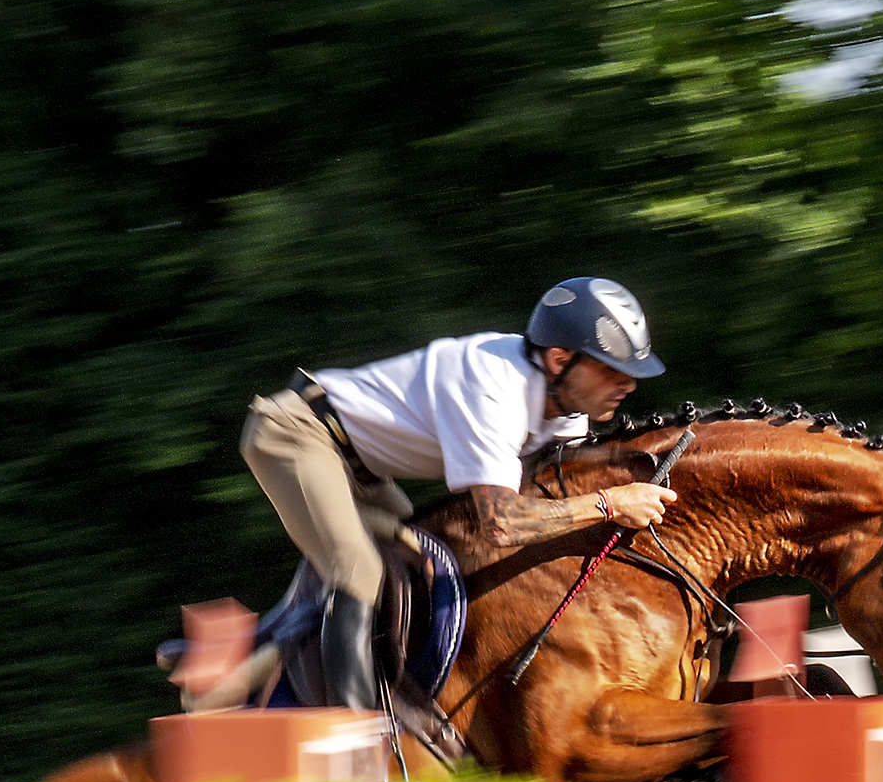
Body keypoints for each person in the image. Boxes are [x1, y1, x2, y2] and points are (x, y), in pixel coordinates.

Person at [240, 277, 682, 709]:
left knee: (421, 568)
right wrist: (610, 504)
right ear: (559, 359)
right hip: (294, 433)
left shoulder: (567, 411)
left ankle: (253, 659)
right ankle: (356, 745)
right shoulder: (493, 387)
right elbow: (502, 523)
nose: (630, 384)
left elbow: (549, 502)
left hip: (360, 466)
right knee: (359, 574)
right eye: (612, 370)